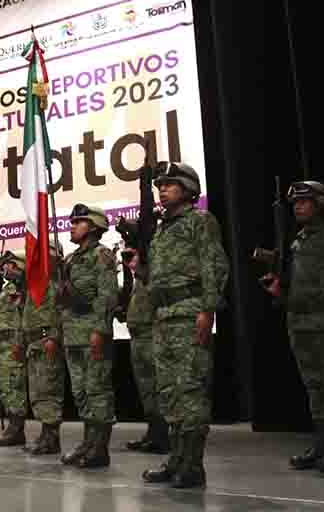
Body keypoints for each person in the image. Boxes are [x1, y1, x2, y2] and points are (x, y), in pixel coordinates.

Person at [260, 180, 324, 475]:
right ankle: (323, 443)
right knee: (314, 387)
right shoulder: (297, 241)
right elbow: (296, 283)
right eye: (296, 204)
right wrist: (280, 291)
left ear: (320, 204)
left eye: (305, 202)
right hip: (299, 322)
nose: (299, 207)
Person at [141, 162, 228, 489]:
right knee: (169, 392)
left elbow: (214, 265)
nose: (162, 190)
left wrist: (208, 310)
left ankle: (192, 465)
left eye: (170, 184)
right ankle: (176, 458)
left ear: (189, 189)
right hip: (164, 316)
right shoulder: (163, 228)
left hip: (190, 311)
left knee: (190, 390)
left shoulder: (200, 221)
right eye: (160, 185)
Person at [58, 204, 118, 468]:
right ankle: (87, 442)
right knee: (81, 392)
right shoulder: (70, 259)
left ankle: (100, 448)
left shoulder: (101, 255)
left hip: (93, 333)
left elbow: (107, 297)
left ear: (93, 227)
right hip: (72, 335)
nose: (71, 227)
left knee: (98, 391)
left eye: (78, 222)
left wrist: (99, 331)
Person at [21, 237, 67, 455]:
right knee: (38, 391)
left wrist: (55, 337)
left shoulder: (57, 277)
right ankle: (45, 435)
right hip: (34, 342)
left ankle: (51, 437)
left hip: (47, 339)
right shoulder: (38, 279)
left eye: (45, 250)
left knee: (49, 389)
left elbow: (62, 310)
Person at [122, 250, 169, 454]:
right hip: (138, 333)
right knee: (146, 390)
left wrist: (140, 269)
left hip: (151, 331)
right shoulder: (138, 277)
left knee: (158, 386)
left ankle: (164, 436)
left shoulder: (152, 268)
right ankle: (154, 433)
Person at [0, 251, 28, 447]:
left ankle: (16, 429)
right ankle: (13, 427)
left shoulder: (22, 286)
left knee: (14, 386)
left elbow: (24, 315)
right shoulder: (8, 288)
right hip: (2, 344)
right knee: (6, 387)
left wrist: (19, 343)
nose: (6, 268)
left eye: (10, 265)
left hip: (14, 342)